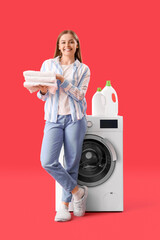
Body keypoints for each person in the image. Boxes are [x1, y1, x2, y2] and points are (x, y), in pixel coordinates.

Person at [37, 30, 90, 222]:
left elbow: (79, 95)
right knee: (47, 161)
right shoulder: (47, 65)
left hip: (75, 118)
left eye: (71, 42)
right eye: (63, 42)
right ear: (58, 46)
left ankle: (64, 207)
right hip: (53, 118)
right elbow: (41, 95)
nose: (67, 45)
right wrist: (42, 91)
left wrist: (62, 80)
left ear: (77, 45)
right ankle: (78, 192)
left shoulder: (83, 69)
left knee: (71, 163)